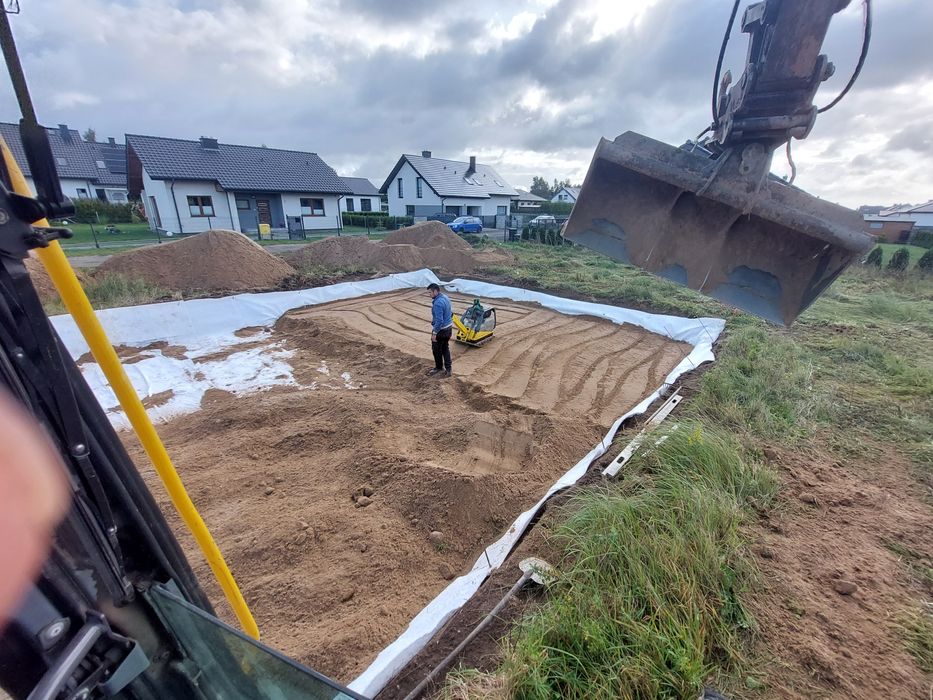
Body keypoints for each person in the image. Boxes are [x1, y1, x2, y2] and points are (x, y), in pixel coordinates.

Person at [426, 282, 453, 377]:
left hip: (441, 331)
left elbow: (439, 321)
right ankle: (449, 370)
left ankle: (439, 368)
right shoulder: (445, 297)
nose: (429, 295)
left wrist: (434, 333)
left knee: (436, 350)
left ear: (436, 291)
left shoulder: (437, 303)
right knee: (445, 348)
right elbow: (450, 312)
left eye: (430, 292)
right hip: (449, 329)